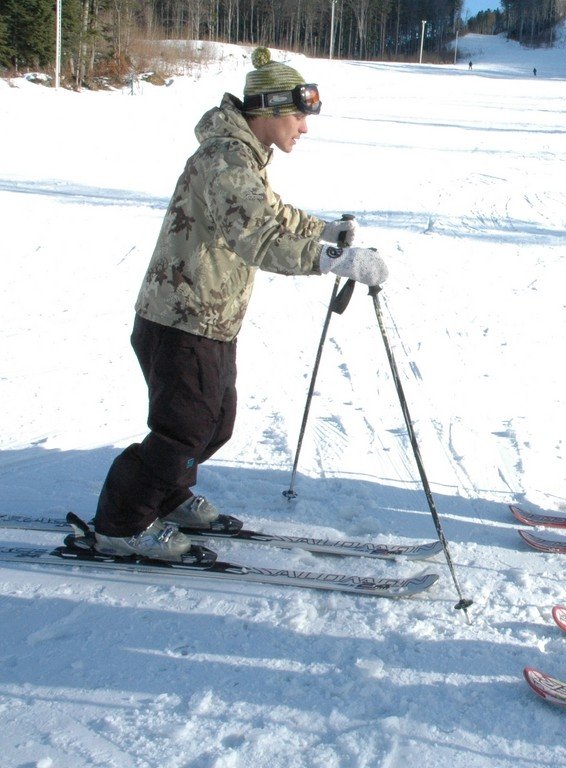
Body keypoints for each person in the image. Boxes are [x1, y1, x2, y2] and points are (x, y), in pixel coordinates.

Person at [91, 47, 388, 562]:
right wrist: (334, 259)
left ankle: (169, 494)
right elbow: (258, 237)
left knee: (214, 422)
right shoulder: (227, 160)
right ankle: (122, 522)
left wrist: (323, 230)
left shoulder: (244, 155)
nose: (304, 128)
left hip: (208, 318)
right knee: (182, 429)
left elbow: (272, 213)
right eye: (298, 115)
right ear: (269, 111)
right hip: (182, 317)